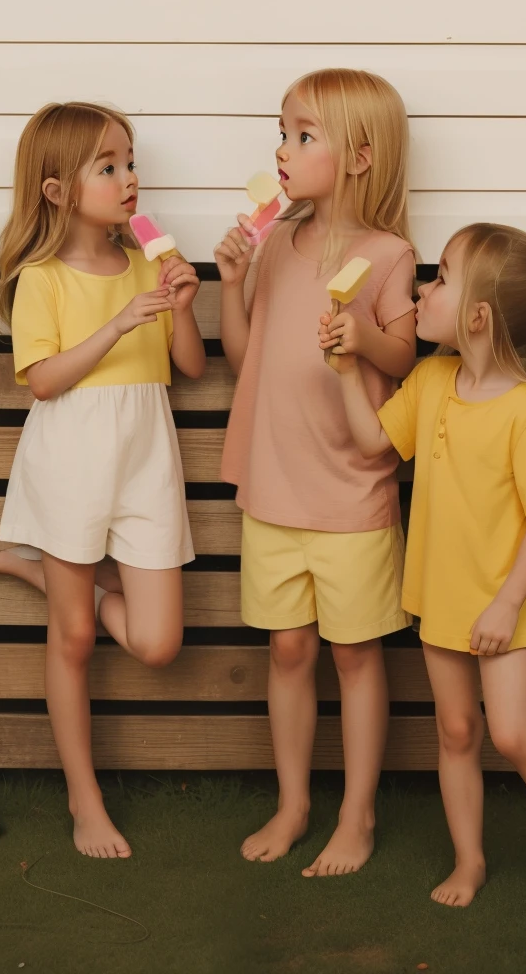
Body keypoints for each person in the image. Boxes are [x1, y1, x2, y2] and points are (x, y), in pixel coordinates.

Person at [325, 222, 526, 907]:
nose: (424, 287)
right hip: (443, 596)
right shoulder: (430, 379)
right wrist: (342, 372)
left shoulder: (524, 411)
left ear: (478, 317)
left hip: (509, 602)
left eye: (442, 277)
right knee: (455, 730)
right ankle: (469, 861)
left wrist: (507, 603)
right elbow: (371, 443)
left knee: (509, 732)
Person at [0, 101, 205, 859]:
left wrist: (186, 307)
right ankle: (84, 799)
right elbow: (42, 382)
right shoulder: (41, 277)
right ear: (57, 190)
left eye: (130, 162)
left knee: (159, 641)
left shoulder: (146, 262)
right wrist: (118, 324)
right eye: (108, 166)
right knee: (72, 640)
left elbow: (190, 366)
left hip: (145, 463)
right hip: (70, 461)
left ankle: (35, 573)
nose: (129, 179)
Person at [216, 68, 417, 876]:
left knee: (356, 656)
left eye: (304, 135)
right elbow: (245, 358)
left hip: (351, 496)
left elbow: (403, 356)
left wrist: (360, 342)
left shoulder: (388, 255)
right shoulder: (273, 246)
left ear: (361, 157)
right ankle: (294, 803)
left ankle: (357, 816)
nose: (283, 149)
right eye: (283, 132)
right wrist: (232, 285)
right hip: (272, 490)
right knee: (289, 652)